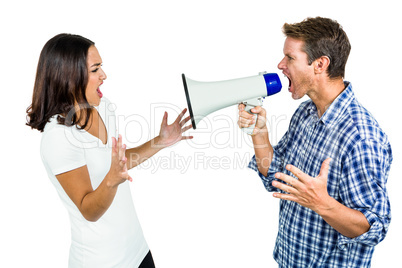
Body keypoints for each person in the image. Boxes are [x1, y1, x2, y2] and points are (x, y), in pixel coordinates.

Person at [26, 33, 192, 268]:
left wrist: (161, 141)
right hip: (103, 262)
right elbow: (89, 210)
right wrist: (111, 182)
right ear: (69, 76)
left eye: (100, 67)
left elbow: (117, 163)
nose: (104, 75)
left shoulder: (103, 108)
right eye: (95, 70)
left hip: (138, 250)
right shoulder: (59, 136)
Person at [238, 17, 392, 267]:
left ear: (320, 64)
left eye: (290, 58)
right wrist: (259, 133)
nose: (280, 65)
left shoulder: (361, 136)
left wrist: (323, 203)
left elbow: (375, 227)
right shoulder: (305, 114)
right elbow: (275, 178)